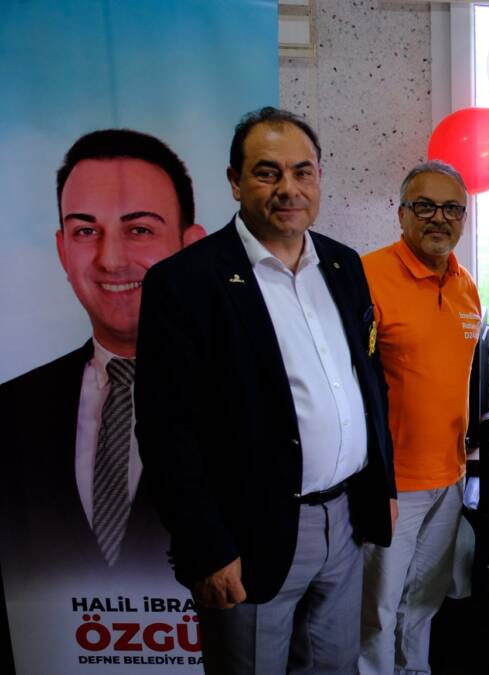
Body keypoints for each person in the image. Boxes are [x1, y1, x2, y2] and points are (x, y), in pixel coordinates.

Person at [134, 107, 396, 674]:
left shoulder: (344, 265)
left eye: (303, 172)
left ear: (320, 177)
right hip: (250, 535)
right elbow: (166, 432)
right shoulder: (185, 283)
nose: (288, 189)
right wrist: (207, 547)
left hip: (346, 521)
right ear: (235, 181)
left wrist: (384, 486)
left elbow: (369, 381)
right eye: (267, 172)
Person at [0, 129, 206, 581]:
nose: (110, 259)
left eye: (139, 229)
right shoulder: (11, 410)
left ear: (192, 247)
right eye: (86, 231)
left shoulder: (241, 393)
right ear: (63, 251)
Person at [358, 160, 481, 675]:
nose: (439, 218)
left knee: (424, 600)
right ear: (402, 213)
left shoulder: (465, 285)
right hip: (392, 482)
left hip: (449, 475)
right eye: (425, 206)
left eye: (452, 209)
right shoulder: (367, 276)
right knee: (377, 610)